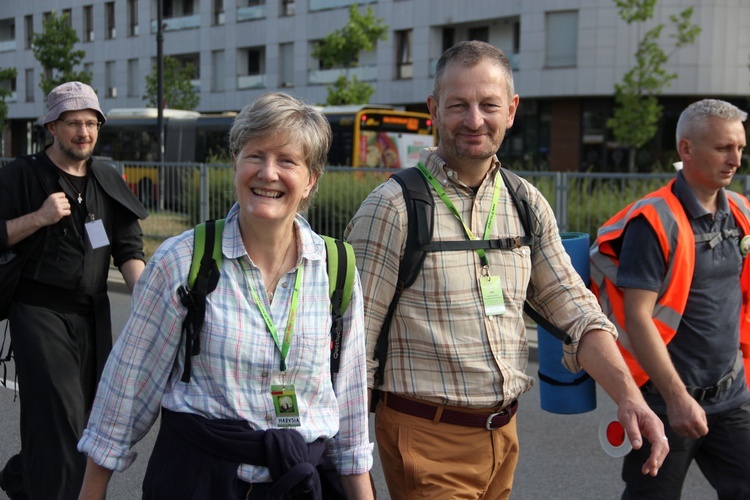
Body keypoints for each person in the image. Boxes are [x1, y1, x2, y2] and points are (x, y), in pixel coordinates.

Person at [344, 40, 669, 499]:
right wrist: (351, 468)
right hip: (426, 438)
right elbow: (354, 347)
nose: (474, 120)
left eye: (488, 105)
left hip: (504, 436)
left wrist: (630, 397)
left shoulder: (525, 202)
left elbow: (576, 309)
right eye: (458, 105)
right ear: (434, 109)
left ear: (512, 110)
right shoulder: (393, 207)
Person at [77, 92, 374, 499]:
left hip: (299, 484)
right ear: (235, 163)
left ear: (311, 180)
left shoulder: (337, 270)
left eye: (287, 161)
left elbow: (352, 417)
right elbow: (126, 390)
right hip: (198, 482)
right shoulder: (183, 260)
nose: (268, 173)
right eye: (255, 156)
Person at [590, 99, 750, 499]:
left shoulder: (742, 212)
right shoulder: (654, 220)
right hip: (664, 404)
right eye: (723, 148)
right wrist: (677, 400)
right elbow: (638, 317)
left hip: (732, 398)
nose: (735, 160)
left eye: (740, 148)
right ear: (686, 149)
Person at [0, 81, 147, 500]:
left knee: (85, 423)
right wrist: (39, 217)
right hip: (38, 311)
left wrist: (149, 299)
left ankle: (22, 478)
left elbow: (127, 249)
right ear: (51, 126)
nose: (84, 132)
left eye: (91, 123)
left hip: (93, 316)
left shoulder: (106, 178)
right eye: (73, 123)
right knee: (62, 421)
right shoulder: (21, 176)